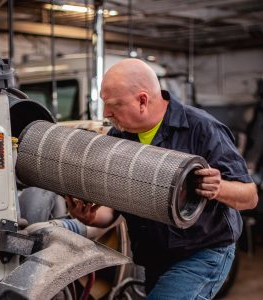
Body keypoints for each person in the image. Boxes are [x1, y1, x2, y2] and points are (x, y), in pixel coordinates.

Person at [65, 58, 258, 299]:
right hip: (155, 259)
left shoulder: (202, 128)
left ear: (143, 100)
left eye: (114, 105)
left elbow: (249, 197)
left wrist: (218, 188)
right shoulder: (118, 139)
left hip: (202, 254)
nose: (106, 113)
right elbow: (113, 211)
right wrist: (92, 217)